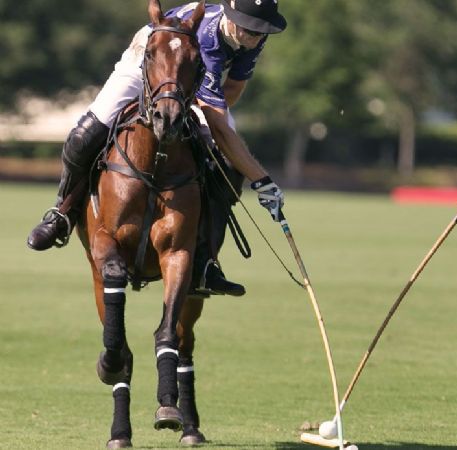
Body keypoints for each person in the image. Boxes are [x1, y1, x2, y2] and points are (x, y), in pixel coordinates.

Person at [26, 0, 287, 297]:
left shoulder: (252, 35)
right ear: (229, 14)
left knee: (226, 164)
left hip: (189, 78)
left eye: (260, 30)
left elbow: (233, 89)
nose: (254, 35)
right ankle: (62, 214)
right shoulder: (209, 36)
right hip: (150, 56)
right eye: (248, 27)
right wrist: (262, 180)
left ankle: (205, 260)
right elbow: (218, 121)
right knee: (85, 135)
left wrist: (205, 116)